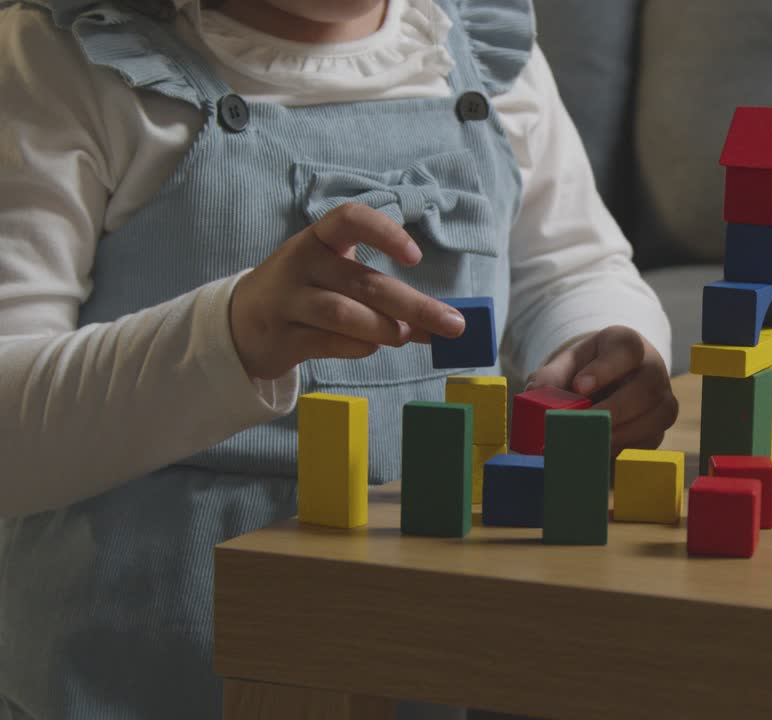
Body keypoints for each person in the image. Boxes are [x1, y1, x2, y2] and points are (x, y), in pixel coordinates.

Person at [0, 0, 676, 717]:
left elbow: (572, 269)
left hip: (426, 641)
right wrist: (228, 336)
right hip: (140, 659)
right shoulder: (64, 57)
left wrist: (601, 344)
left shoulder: (482, 50)